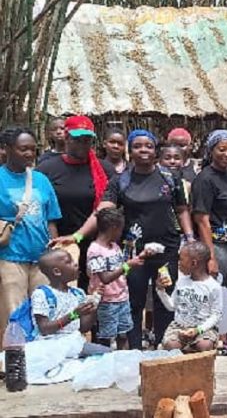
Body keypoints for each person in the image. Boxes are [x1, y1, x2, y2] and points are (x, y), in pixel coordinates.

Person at [55, 129, 194, 348]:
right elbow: (101, 211)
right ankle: (135, 349)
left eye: (148, 146)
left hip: (166, 250)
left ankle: (164, 348)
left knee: (165, 299)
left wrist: (190, 238)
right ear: (130, 151)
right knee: (134, 301)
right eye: (137, 146)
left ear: (155, 150)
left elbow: (182, 209)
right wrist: (77, 235)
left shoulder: (170, 177)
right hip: (134, 254)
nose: (143, 150)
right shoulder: (121, 181)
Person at [38, 116, 116, 292]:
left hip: (96, 243)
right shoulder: (47, 168)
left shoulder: (104, 169)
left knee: (97, 293)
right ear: (66, 138)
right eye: (77, 139)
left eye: (87, 140)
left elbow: (106, 207)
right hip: (60, 242)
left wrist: (78, 236)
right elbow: (42, 209)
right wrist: (55, 244)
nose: (82, 144)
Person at [0, 126, 62, 342]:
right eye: (23, 149)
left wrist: (54, 251)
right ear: (6, 149)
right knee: (14, 315)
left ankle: (40, 357)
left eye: (32, 149)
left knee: (43, 313)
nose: (29, 154)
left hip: (41, 259)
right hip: (10, 258)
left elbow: (51, 218)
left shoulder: (41, 180)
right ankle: (13, 358)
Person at [191, 129, 227, 288]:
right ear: (211, 151)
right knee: (214, 290)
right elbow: (201, 220)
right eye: (222, 149)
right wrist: (210, 257)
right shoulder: (205, 179)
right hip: (216, 245)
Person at [32, 249, 110, 356]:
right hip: (50, 347)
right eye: (69, 262)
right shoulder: (42, 294)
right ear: (57, 272)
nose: (76, 263)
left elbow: (84, 328)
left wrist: (94, 304)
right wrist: (74, 315)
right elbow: (44, 329)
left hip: (74, 344)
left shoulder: (78, 293)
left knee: (109, 355)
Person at [87, 207, 145, 350]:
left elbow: (121, 266)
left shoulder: (114, 247)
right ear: (113, 228)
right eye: (120, 229)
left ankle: (122, 358)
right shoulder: (95, 250)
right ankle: (105, 359)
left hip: (122, 298)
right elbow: (105, 278)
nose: (121, 233)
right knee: (106, 335)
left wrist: (130, 247)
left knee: (123, 333)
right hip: (107, 301)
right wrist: (127, 265)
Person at [156, 242, 222, 352]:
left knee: (204, 345)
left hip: (203, 328)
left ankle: (191, 349)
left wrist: (198, 330)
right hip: (179, 327)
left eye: (181, 260)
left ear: (194, 263)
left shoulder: (213, 287)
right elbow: (172, 307)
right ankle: (187, 349)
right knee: (171, 346)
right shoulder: (181, 282)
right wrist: (160, 290)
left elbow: (216, 315)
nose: (178, 263)